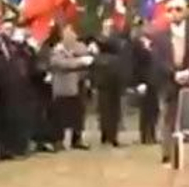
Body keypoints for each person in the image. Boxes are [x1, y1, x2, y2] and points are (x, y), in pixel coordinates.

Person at [148, 0, 189, 166]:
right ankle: (170, 157)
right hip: (170, 82)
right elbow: (157, 59)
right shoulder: (159, 35)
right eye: (169, 10)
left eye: (178, 9)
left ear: (187, 11)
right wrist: (174, 74)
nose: (174, 13)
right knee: (169, 119)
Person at [47, 24, 95, 150]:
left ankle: (77, 139)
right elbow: (61, 64)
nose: (73, 37)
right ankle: (58, 141)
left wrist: (85, 53)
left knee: (78, 115)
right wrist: (80, 61)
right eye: (70, 35)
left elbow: (84, 51)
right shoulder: (57, 50)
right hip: (62, 89)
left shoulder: (75, 48)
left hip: (75, 86)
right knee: (60, 117)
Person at [90, 18, 134, 147]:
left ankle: (112, 135)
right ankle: (105, 134)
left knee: (114, 110)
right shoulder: (98, 40)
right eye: (107, 26)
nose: (109, 28)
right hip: (103, 79)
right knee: (104, 109)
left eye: (111, 26)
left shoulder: (116, 40)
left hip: (115, 79)